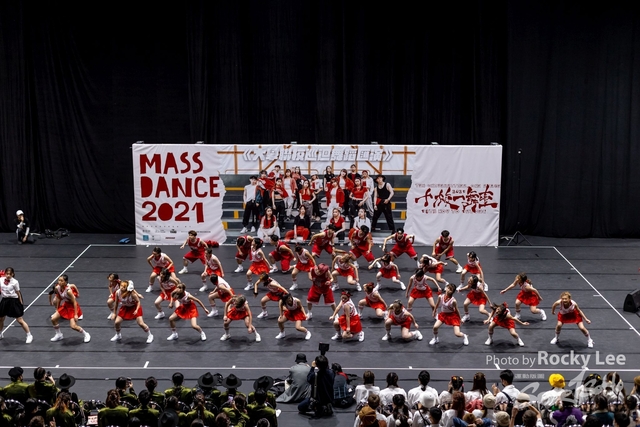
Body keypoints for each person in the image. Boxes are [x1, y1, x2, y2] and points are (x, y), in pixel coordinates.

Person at [50, 275, 91, 343]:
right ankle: (59, 334)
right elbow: (59, 298)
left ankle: (86, 334)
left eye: (61, 281)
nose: (59, 282)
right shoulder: (57, 288)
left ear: (65, 282)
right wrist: (57, 309)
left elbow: (74, 302)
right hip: (66, 305)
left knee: (73, 326)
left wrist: (76, 314)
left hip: (72, 307)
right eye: (59, 280)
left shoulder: (68, 291)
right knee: (53, 319)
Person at [0, 267, 32, 343]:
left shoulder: (15, 282)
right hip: (4, 300)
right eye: (7, 274)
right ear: (5, 274)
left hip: (13, 301)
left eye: (10, 274)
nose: (8, 275)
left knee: (20, 320)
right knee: (1, 318)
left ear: (13, 274)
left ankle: (29, 335)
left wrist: (20, 303)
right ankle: (0, 333)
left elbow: (18, 293)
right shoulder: (1, 279)